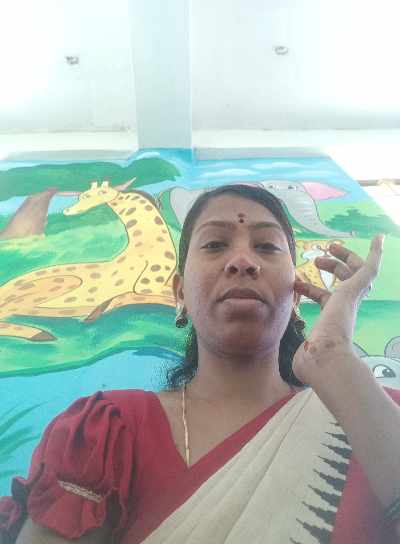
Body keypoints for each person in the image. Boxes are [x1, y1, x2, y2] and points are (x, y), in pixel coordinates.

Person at [1, 184, 400, 544]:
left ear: (296, 296)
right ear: (179, 294)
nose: (242, 261)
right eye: (214, 245)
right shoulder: (105, 433)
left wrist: (333, 355)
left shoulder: (372, 412)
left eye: (266, 247)